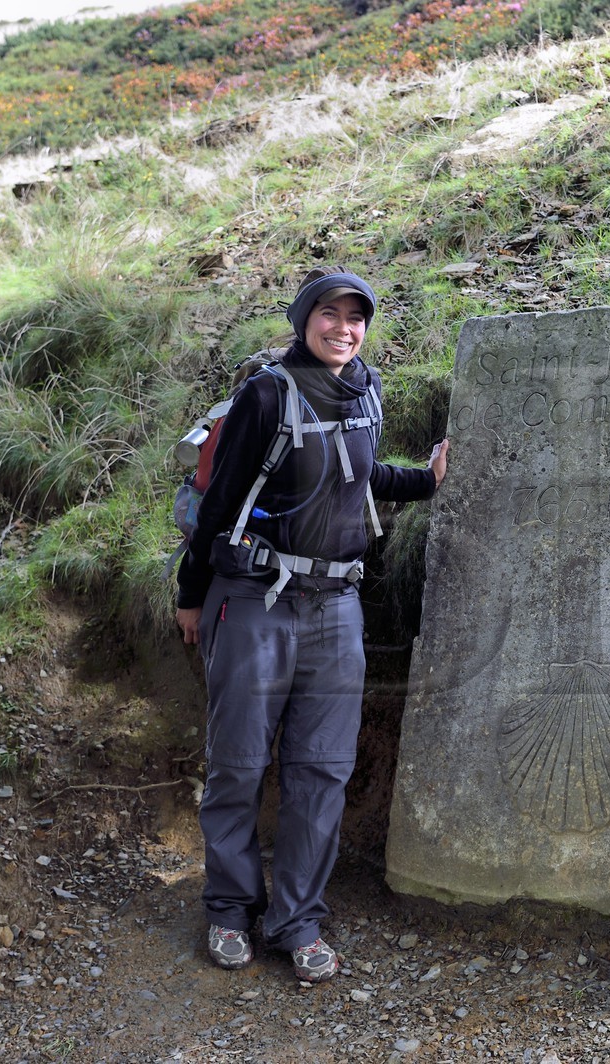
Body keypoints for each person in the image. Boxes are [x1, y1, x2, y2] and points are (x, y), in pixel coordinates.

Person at [175, 266, 448, 982]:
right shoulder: (267, 393)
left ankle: (297, 919)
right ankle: (230, 908)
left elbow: (357, 478)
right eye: (330, 314)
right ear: (305, 319)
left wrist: (425, 478)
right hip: (253, 601)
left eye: (356, 318)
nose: (344, 329)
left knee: (321, 771)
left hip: (337, 608)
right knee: (237, 762)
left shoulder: (366, 389)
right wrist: (190, 595)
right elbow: (219, 506)